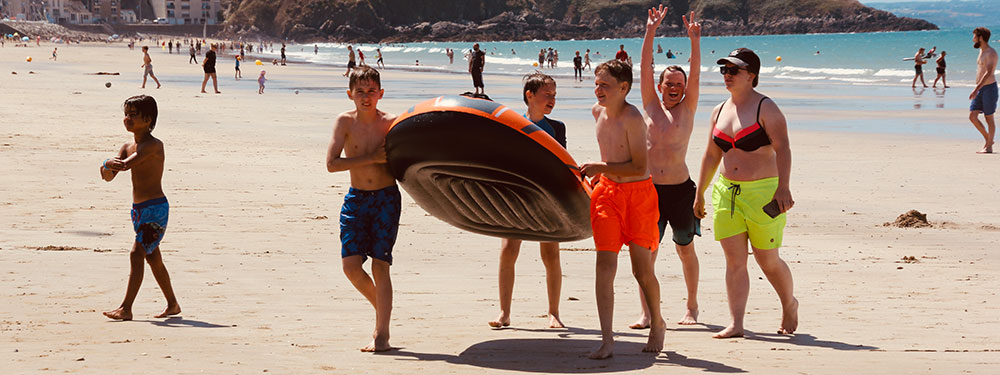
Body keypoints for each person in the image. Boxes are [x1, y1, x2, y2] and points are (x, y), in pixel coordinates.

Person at [693, 47, 798, 339]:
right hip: (726, 193)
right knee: (734, 261)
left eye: (733, 70)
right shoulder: (718, 111)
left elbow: (784, 149)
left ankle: (789, 303)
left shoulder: (767, 108)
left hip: (763, 194)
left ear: (751, 75)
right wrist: (700, 192)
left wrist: (783, 187)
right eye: (724, 70)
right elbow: (711, 155)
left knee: (768, 260)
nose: (727, 75)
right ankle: (736, 323)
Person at [580, 59, 665, 359]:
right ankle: (607, 339)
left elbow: (640, 166)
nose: (598, 89)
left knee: (642, 270)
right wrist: (599, 173)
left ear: (624, 88)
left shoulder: (632, 118)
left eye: (605, 85)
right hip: (607, 195)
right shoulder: (596, 112)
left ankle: (657, 323)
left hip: (639, 196)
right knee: (604, 265)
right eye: (596, 83)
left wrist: (599, 166)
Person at [633, 6, 703, 330]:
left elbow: (696, 70)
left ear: (685, 87)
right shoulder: (649, 103)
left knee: (684, 249)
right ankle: (648, 312)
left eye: (679, 83)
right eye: (668, 83)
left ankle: (692, 307)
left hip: (680, 190)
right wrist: (650, 31)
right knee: (648, 253)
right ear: (659, 86)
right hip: (648, 191)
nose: (674, 87)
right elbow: (644, 67)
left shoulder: (688, 107)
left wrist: (695, 40)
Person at [326, 66, 401, 352]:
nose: (366, 97)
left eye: (371, 91)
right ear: (350, 95)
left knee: (380, 266)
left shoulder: (392, 123)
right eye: (360, 92)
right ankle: (383, 308)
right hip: (356, 198)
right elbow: (332, 164)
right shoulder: (345, 122)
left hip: (386, 199)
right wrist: (369, 158)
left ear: (381, 93)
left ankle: (382, 333)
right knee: (351, 267)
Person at [489, 72, 567, 330]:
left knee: (550, 254)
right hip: (516, 197)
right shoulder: (511, 123)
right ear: (529, 95)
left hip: (547, 197)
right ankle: (504, 312)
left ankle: (554, 312)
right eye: (547, 95)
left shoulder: (557, 128)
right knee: (508, 251)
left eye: (554, 95)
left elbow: (563, 164)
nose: (552, 100)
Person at [100, 95, 181, 321]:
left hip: (156, 209)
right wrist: (107, 166)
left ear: (148, 120)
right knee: (152, 257)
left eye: (133, 115)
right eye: (126, 114)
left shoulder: (154, 145)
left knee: (137, 254)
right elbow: (108, 177)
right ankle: (173, 304)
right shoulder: (126, 146)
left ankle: (126, 308)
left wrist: (109, 163)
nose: (127, 119)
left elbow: (124, 166)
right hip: (138, 210)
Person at [970, 27, 997, 154]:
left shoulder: (991, 53)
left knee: (989, 117)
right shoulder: (981, 51)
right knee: (972, 116)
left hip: (989, 88)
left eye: (974, 36)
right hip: (980, 89)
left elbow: (988, 73)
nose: (973, 39)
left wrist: (976, 89)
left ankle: (989, 147)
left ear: (980, 38)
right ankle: (988, 139)